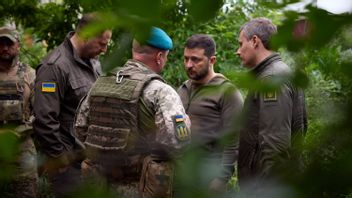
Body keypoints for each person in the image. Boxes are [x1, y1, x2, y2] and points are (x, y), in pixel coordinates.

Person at [74, 27, 191, 197]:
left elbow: (80, 129)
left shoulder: (100, 83)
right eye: (165, 56)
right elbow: (178, 142)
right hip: (138, 188)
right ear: (159, 57)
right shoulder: (160, 91)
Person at [33, 13, 112, 197]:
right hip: (70, 167)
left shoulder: (93, 62)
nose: (105, 49)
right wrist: (62, 164)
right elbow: (44, 120)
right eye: (102, 43)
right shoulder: (54, 67)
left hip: (93, 162)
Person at [235, 18, 307, 193]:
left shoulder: (272, 79)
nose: (238, 51)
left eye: (241, 43)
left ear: (254, 41)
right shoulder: (276, 73)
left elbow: (275, 146)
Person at [177, 34, 243, 193]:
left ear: (212, 60)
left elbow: (234, 140)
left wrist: (221, 178)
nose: (188, 65)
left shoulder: (227, 92)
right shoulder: (183, 89)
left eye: (195, 60)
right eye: (186, 59)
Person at [0, 26, 37, 197]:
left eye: (9, 43)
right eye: (1, 43)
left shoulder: (30, 74)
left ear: (18, 45)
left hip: (22, 146)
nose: (5, 48)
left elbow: (41, 111)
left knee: (26, 192)